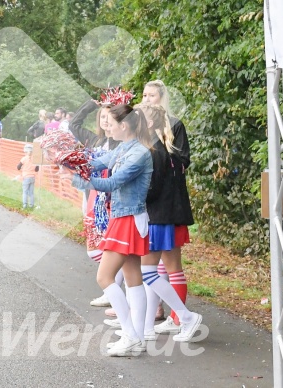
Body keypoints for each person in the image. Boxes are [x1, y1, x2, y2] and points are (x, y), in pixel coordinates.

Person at [69, 104, 153, 357]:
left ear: (123, 125)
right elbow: (97, 161)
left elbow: (112, 182)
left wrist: (80, 178)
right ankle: (136, 338)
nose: (107, 127)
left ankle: (130, 334)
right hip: (125, 216)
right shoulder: (124, 148)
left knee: (104, 277)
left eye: (111, 123)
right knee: (133, 280)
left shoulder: (138, 153)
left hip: (128, 218)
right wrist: (70, 160)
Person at [141, 80, 195, 334]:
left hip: (168, 205)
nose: (146, 98)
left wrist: (161, 151)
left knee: (167, 265)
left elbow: (183, 160)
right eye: (144, 94)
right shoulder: (142, 128)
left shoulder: (174, 125)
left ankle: (178, 317)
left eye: (151, 95)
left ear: (161, 97)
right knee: (156, 266)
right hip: (154, 207)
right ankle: (156, 316)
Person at [68, 99, 120, 309]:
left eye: (110, 117)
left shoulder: (121, 143)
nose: (106, 122)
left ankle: (112, 290)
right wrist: (91, 103)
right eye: (103, 117)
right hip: (92, 198)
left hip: (110, 201)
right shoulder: (95, 140)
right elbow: (74, 125)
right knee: (94, 249)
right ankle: (112, 287)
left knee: (111, 247)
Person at [17, 143, 39, 208]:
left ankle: (24, 205)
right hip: (32, 177)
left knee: (25, 192)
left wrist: (23, 168)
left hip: (26, 177)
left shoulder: (24, 159)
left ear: (25, 151)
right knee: (31, 193)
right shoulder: (35, 159)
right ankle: (31, 205)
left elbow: (18, 167)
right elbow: (37, 169)